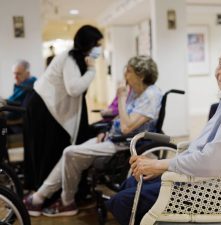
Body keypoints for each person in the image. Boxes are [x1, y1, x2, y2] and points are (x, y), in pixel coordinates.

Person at [106, 40, 221, 225]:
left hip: (213, 191)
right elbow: (201, 148)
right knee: (131, 184)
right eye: (220, 63)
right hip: (203, 179)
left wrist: (161, 165)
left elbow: (214, 161)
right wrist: (162, 166)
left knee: (122, 202)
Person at [23, 55, 163, 217]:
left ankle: (63, 201)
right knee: (70, 153)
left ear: (141, 75)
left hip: (125, 143)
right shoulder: (136, 92)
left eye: (128, 71)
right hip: (112, 137)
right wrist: (106, 130)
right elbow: (121, 119)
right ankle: (42, 196)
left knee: (70, 152)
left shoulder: (151, 95)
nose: (125, 74)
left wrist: (121, 99)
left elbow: (127, 127)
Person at [23, 25, 103, 191]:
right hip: (43, 107)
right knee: (48, 150)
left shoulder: (76, 58)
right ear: (87, 43)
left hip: (47, 106)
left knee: (55, 148)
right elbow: (73, 89)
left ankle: (54, 192)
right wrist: (92, 71)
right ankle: (45, 193)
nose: (99, 49)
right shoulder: (69, 58)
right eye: (97, 44)